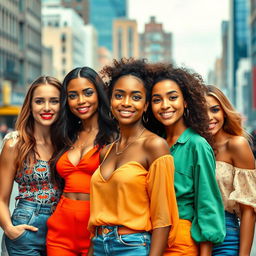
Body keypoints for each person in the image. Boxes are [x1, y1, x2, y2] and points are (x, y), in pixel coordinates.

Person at [87, 58, 179, 256]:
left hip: (132, 246)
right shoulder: (107, 151)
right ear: (110, 101)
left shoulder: (154, 146)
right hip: (99, 244)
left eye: (136, 97)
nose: (126, 103)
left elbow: (162, 217)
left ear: (146, 105)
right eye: (119, 95)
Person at [146, 63, 226, 256]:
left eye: (172, 97)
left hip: (181, 238)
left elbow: (207, 205)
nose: (165, 105)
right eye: (157, 99)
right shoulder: (152, 144)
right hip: (149, 236)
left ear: (186, 101)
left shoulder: (197, 144)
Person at [46, 67, 117, 256]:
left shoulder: (115, 136)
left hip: (97, 231)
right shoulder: (64, 134)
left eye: (88, 93)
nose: (81, 101)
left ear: (99, 94)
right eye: (73, 95)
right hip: (60, 231)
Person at [0, 76, 62, 256]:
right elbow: (1, 198)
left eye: (54, 101)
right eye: (39, 101)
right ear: (30, 105)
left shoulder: (67, 143)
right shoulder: (15, 144)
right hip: (26, 227)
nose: (47, 107)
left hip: (61, 229)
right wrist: (10, 229)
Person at [206, 85, 256, 256]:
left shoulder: (237, 145)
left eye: (214, 110)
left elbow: (248, 209)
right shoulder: (194, 145)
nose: (209, 117)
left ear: (224, 112)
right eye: (202, 111)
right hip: (192, 233)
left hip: (226, 235)